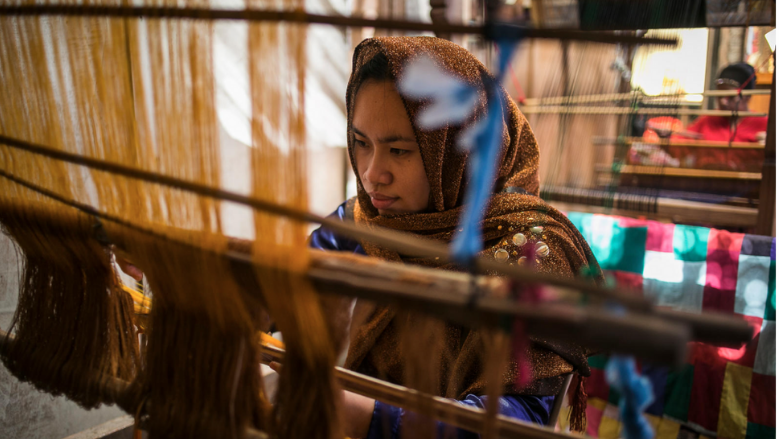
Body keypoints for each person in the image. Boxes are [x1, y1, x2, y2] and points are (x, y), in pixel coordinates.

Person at [309, 37, 601, 439]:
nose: (372, 173)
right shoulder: (368, 222)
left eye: (399, 150)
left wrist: (367, 417)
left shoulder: (532, 256)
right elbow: (288, 278)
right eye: (361, 143)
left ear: (458, 152)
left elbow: (515, 422)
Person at [669, 62, 768, 171]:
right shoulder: (708, 120)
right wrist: (665, 138)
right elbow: (679, 145)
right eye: (719, 96)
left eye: (730, 97)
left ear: (747, 96)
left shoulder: (764, 124)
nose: (723, 102)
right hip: (706, 180)